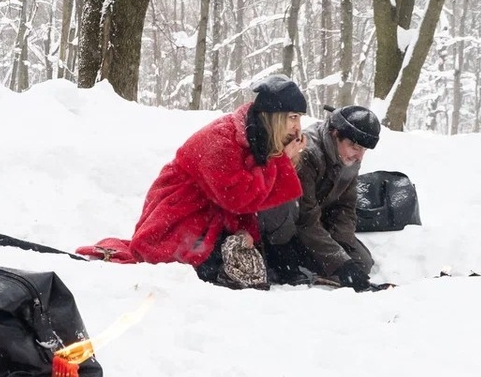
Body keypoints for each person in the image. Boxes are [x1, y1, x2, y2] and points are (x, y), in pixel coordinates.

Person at [77, 75, 308, 289]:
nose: (297, 127)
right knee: (210, 269)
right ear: (274, 117)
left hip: (209, 215)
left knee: (249, 268)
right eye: (292, 117)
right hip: (178, 213)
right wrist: (280, 161)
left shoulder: (256, 136)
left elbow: (250, 197)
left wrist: (246, 230)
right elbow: (238, 197)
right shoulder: (222, 139)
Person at [259, 105, 390, 292]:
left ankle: (311, 261)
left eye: (364, 150)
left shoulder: (349, 158)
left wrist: (342, 246)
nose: (359, 156)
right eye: (355, 147)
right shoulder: (308, 153)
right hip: (291, 226)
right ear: (335, 134)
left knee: (361, 263)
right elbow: (306, 218)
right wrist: (340, 263)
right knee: (342, 266)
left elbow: (346, 206)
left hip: (318, 225)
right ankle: (283, 262)